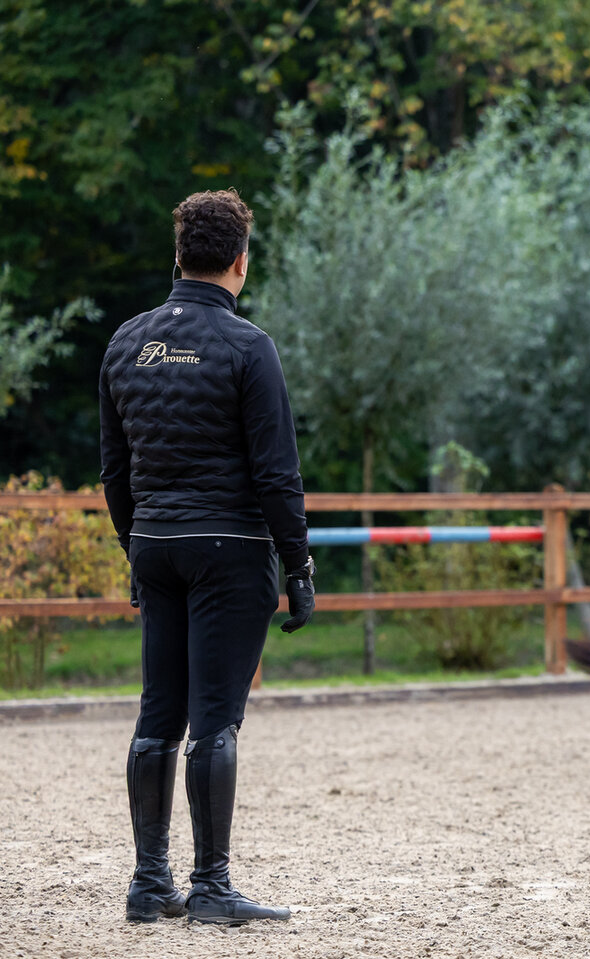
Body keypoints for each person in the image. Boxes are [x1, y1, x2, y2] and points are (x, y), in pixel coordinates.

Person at [99, 188, 315, 925]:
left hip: (156, 545)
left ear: (179, 254)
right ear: (240, 262)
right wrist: (300, 565)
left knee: (157, 715)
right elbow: (277, 474)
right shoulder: (249, 347)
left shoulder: (126, 342)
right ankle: (213, 886)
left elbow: (113, 472)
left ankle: (149, 880)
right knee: (215, 722)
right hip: (229, 550)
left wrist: (138, 546)